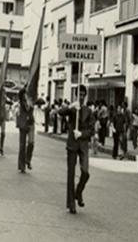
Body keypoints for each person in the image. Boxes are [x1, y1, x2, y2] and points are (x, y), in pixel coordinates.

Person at [58, 85, 94, 214]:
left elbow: (91, 130)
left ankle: (78, 192)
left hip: (83, 144)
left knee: (85, 172)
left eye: (83, 95)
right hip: (72, 144)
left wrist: (82, 134)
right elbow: (60, 112)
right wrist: (70, 106)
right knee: (71, 174)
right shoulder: (73, 109)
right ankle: (71, 203)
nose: (82, 97)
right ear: (76, 95)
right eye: (80, 95)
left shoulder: (89, 111)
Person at [16, 89, 35, 172]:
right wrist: (24, 89)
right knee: (22, 145)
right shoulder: (22, 101)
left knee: (31, 143)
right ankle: (22, 165)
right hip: (23, 124)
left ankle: (28, 159)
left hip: (31, 123)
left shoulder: (31, 99)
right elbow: (20, 93)